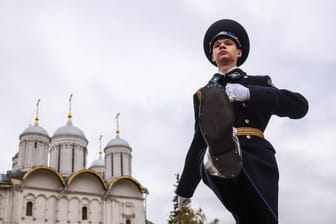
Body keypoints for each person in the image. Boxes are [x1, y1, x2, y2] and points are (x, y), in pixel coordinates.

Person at [175, 19, 308, 224]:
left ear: (239, 52)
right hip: (216, 158)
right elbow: (198, 140)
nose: (221, 46)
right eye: (216, 46)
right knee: (209, 154)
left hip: (257, 158)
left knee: (257, 218)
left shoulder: (259, 83)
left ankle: (224, 156)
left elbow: (299, 107)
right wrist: (185, 188)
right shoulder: (203, 95)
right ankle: (223, 150)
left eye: (227, 43)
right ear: (213, 56)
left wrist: (250, 94)